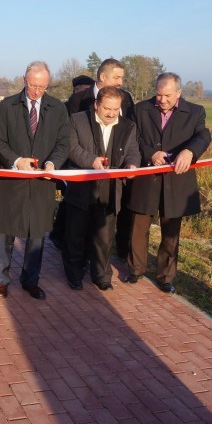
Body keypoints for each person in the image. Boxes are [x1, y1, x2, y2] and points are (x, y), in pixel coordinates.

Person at [0, 61, 70, 299]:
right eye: (33, 85)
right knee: (5, 232)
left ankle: (30, 280)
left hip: (41, 183)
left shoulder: (57, 108)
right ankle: (1, 279)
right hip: (12, 181)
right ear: (24, 81)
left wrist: (52, 163)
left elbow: (63, 143)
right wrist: (16, 160)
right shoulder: (7, 106)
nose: (36, 91)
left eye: (42, 87)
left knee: (36, 235)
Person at [126, 72, 211, 293]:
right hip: (146, 178)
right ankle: (135, 270)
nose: (162, 100)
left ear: (179, 93)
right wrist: (150, 153)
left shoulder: (195, 112)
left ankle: (165, 277)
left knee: (171, 232)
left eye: (168, 95)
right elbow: (133, 138)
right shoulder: (139, 109)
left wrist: (190, 152)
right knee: (138, 227)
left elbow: (203, 136)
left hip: (177, 181)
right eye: (158, 94)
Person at [57, 59, 136, 257]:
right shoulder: (77, 100)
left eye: (122, 78)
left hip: (111, 180)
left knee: (104, 229)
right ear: (103, 76)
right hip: (82, 175)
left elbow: (129, 134)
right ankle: (75, 261)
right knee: (76, 226)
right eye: (117, 77)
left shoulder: (126, 98)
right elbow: (70, 139)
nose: (120, 82)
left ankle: (102, 265)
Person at [63, 87, 139, 290]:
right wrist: (91, 161)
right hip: (81, 189)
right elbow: (70, 147)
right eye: (107, 108)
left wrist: (132, 165)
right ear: (96, 104)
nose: (111, 113)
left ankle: (102, 276)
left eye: (115, 109)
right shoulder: (77, 120)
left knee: (104, 237)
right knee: (76, 235)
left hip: (110, 190)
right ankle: (75, 274)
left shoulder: (127, 126)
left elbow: (133, 152)